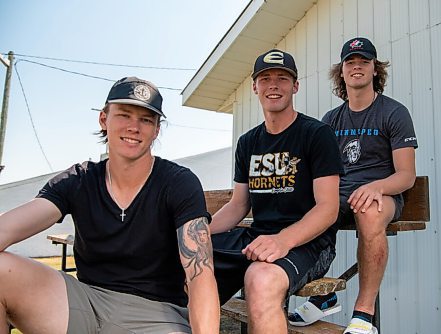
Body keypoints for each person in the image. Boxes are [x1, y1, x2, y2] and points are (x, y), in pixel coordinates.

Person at [0, 77, 219, 334]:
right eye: (124, 115)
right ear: (104, 119)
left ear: (156, 130)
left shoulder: (178, 182)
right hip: (85, 303)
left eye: (146, 120)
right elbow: (8, 228)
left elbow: (200, 275)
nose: (134, 127)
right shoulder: (78, 180)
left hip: (156, 314)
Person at [288, 37, 418, 334]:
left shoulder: (394, 113)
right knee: (297, 207)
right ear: (342, 71)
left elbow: (406, 175)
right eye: (350, 61)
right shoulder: (330, 120)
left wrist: (377, 187)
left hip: (382, 194)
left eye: (364, 61)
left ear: (375, 69)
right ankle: (322, 295)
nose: (356, 66)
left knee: (369, 212)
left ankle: (363, 314)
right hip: (339, 193)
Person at [209, 49, 344, 334]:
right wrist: (197, 234)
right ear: (254, 86)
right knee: (189, 256)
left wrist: (283, 240)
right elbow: (237, 205)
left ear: (295, 86)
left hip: (308, 243)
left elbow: (328, 208)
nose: (274, 85)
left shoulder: (317, 134)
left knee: (260, 278)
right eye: (265, 78)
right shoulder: (248, 142)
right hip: (258, 237)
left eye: (283, 78)